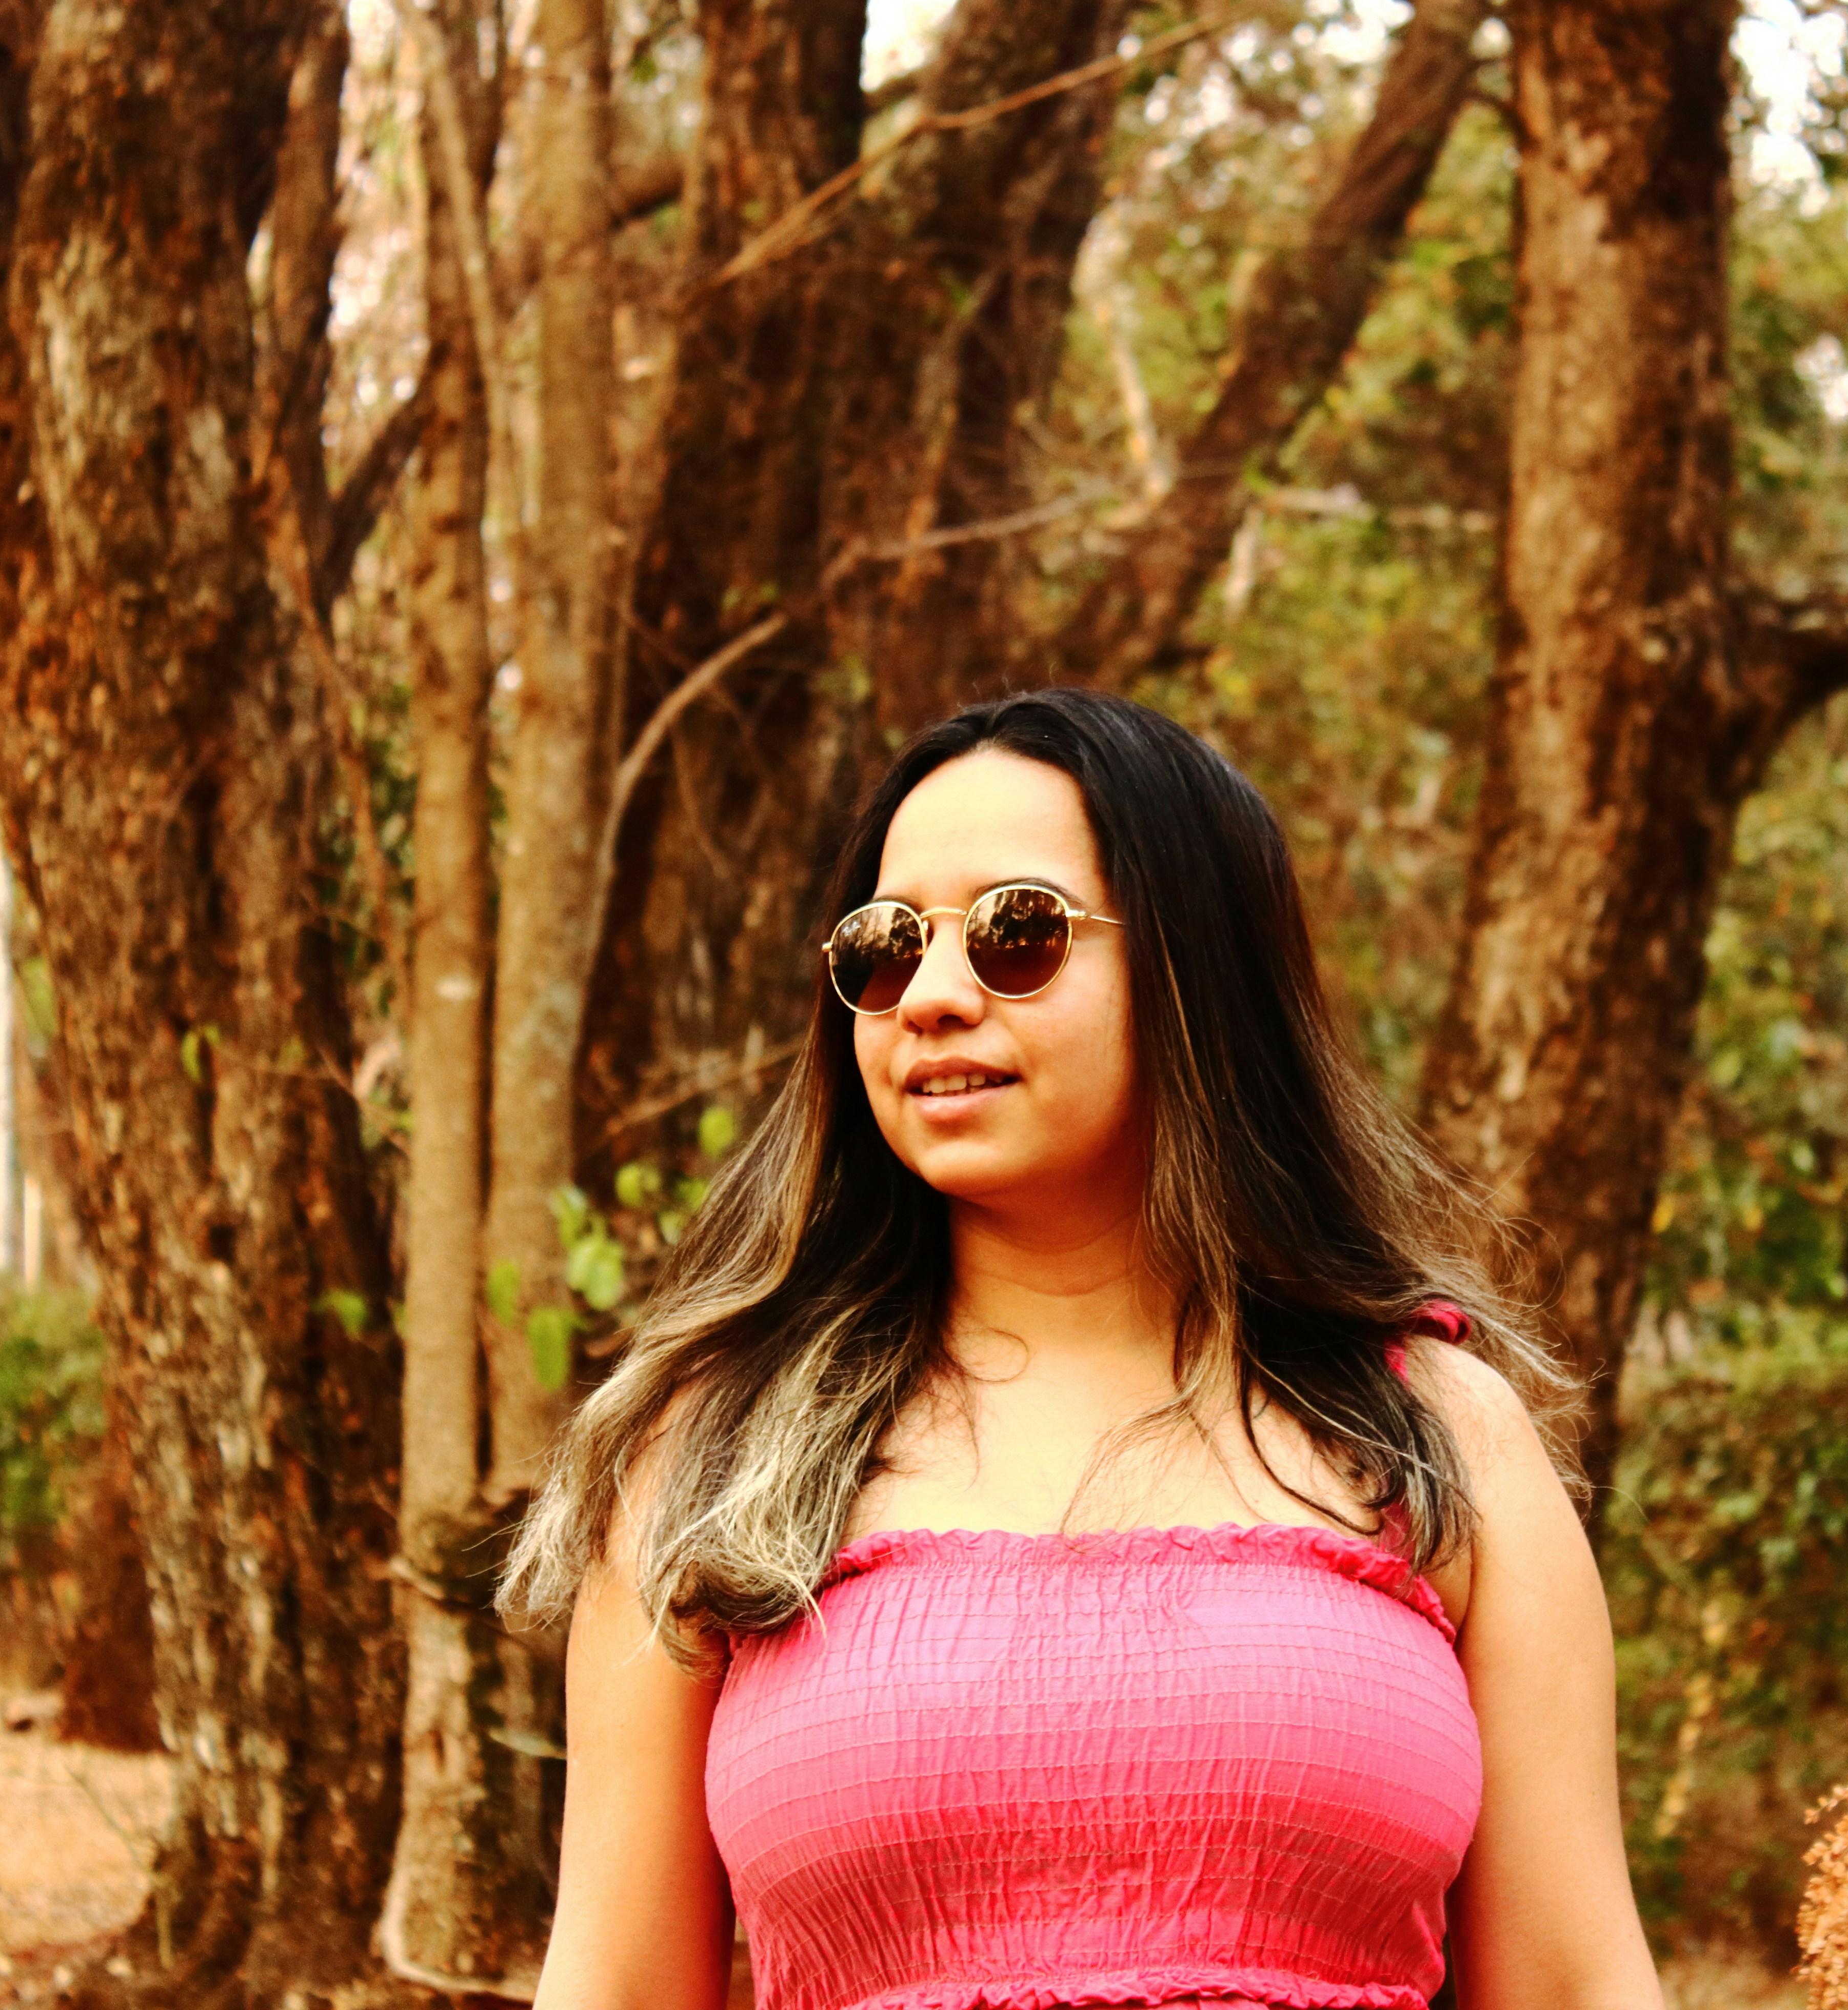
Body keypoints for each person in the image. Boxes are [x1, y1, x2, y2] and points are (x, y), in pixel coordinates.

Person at [504, 688, 1666, 2010]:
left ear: (1198, 971)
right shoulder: (711, 1454)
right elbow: (613, 1986)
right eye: (886, 949)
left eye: (1016, 934)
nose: (930, 997)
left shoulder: (1438, 1437)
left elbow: (1575, 1983)